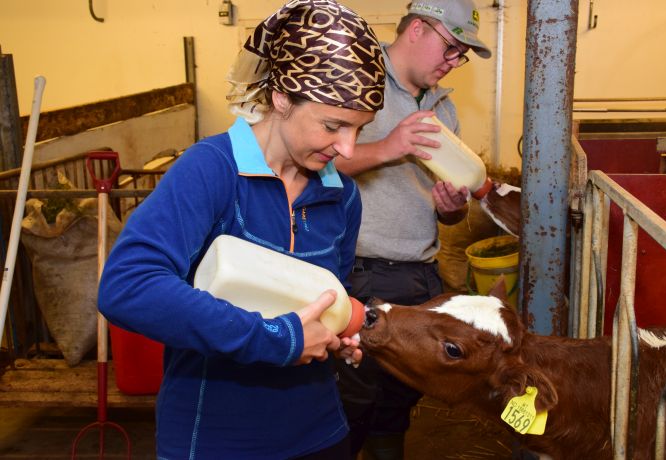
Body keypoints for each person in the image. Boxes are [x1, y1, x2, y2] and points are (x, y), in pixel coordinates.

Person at [97, 1, 386, 458]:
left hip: (321, 432)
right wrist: (279, 339)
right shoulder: (210, 171)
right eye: (333, 125)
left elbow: (321, 297)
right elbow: (127, 287)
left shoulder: (342, 196)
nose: (348, 148)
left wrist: (335, 335)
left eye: (359, 130)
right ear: (282, 98)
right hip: (217, 439)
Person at [332, 0, 492, 458]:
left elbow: (450, 211)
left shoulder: (445, 107)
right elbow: (318, 159)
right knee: (353, 395)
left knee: (400, 395)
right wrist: (388, 146)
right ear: (418, 29)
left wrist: (450, 210)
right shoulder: (356, 77)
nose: (453, 62)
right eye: (452, 47)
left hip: (420, 271)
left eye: (461, 55)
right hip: (360, 269)